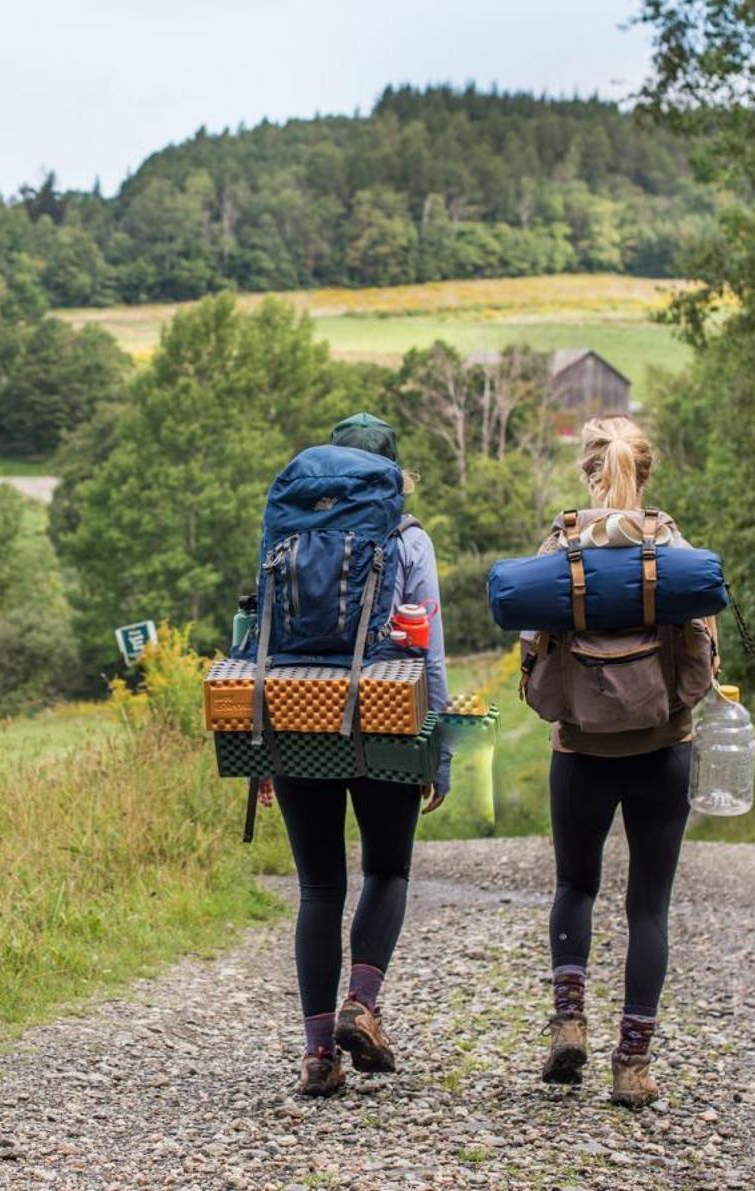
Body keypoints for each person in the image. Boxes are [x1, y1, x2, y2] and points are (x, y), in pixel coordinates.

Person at [525, 416, 716, 1108]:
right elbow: (704, 644)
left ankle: (569, 1020)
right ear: (647, 470)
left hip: (581, 748)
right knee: (648, 908)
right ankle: (632, 1064)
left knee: (576, 885)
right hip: (665, 744)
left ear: (589, 470)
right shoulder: (672, 545)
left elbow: (530, 637)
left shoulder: (563, 540)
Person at [267, 412, 452, 1098]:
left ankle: (318, 1055)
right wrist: (440, 750)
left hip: (294, 715)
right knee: (387, 869)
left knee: (318, 888)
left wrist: (261, 748)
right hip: (383, 717)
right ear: (393, 476)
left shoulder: (288, 530)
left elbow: (256, 629)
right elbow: (428, 647)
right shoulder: (408, 538)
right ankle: (362, 1003)